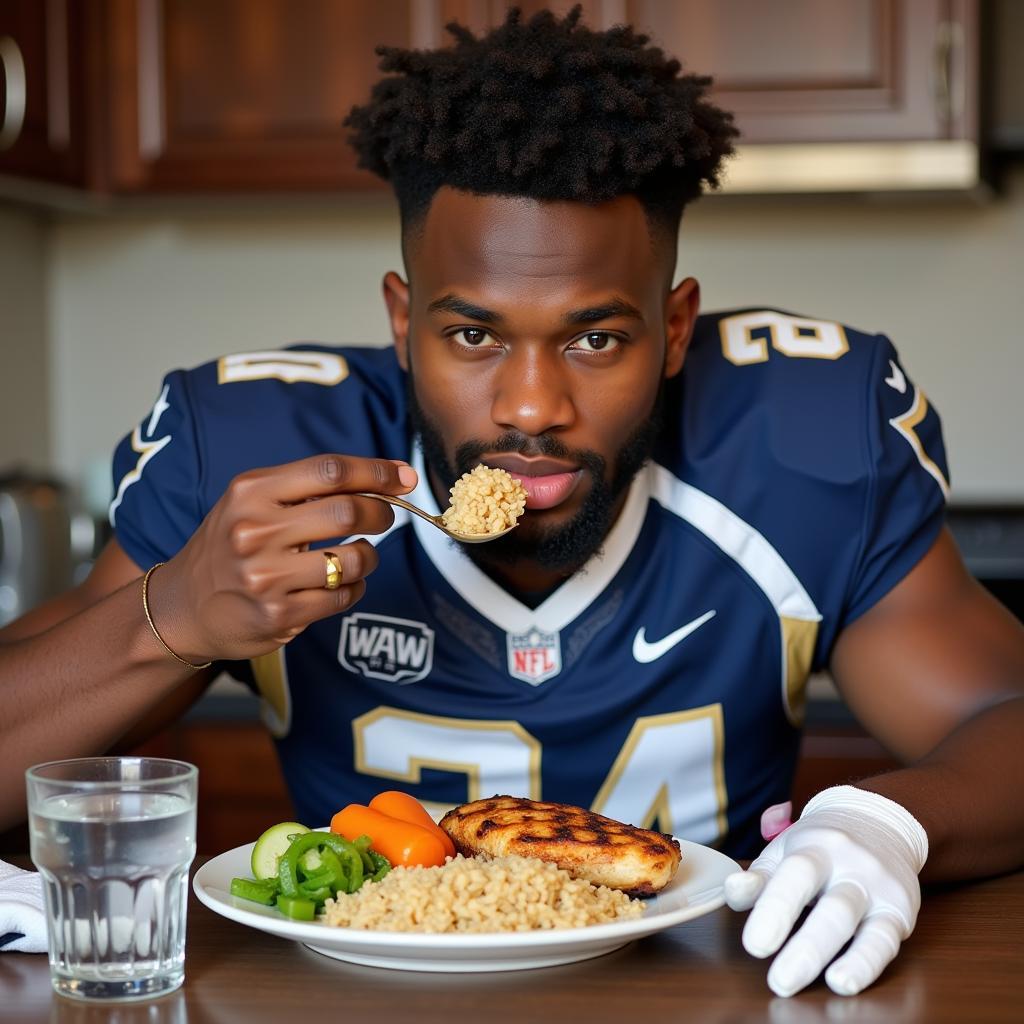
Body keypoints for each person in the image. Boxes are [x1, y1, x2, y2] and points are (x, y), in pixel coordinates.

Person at [2, 6, 1022, 999]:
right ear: (403, 322)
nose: (532, 407)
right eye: (474, 336)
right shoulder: (254, 450)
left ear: (674, 332)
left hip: (722, 991)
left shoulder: (800, 437)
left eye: (595, 338)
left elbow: (1001, 714)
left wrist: (885, 822)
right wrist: (171, 617)